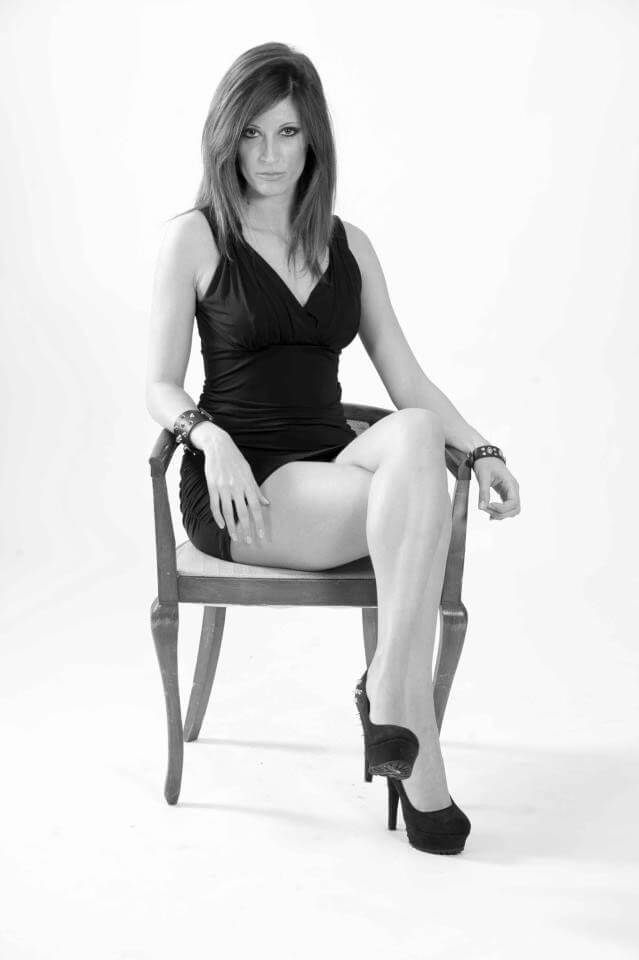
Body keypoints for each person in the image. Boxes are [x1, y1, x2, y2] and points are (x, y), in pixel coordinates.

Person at [145, 42, 521, 854]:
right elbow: (158, 385)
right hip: (245, 491)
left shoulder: (349, 245)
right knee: (413, 496)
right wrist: (206, 435)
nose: (268, 155)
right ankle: (406, 725)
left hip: (331, 468)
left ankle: (390, 686)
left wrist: (481, 450)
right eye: (251, 134)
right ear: (225, 139)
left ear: (312, 138)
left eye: (286, 132)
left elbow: (408, 381)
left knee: (417, 432)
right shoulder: (196, 239)